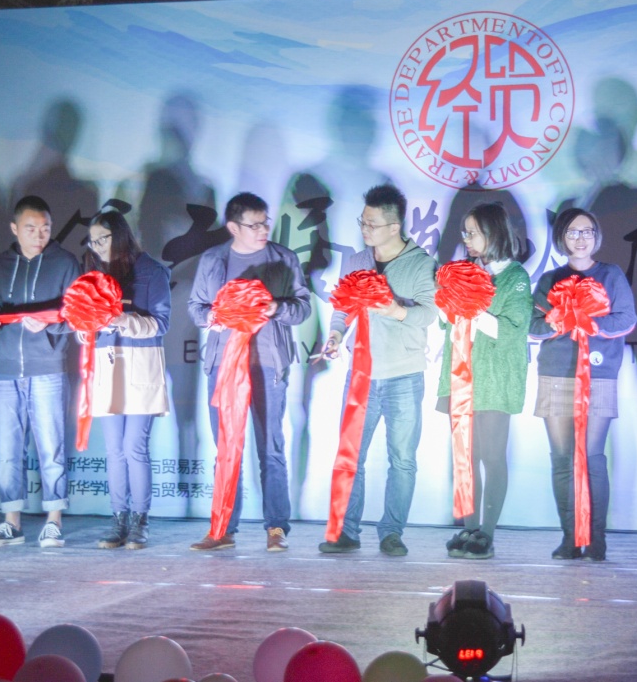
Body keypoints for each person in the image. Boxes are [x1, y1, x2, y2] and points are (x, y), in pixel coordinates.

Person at [317, 184, 437, 556]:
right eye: (362, 222)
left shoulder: (420, 263)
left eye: (371, 224)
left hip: (404, 374)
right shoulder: (356, 261)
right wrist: (336, 334)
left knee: (402, 460)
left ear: (394, 226)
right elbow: (342, 307)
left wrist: (395, 310)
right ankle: (346, 531)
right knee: (351, 454)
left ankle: (391, 533)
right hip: (361, 375)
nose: (364, 229)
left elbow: (429, 314)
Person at [187, 192, 311, 553]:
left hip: (268, 364)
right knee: (227, 449)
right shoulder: (214, 259)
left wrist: (274, 307)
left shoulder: (283, 258)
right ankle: (223, 528)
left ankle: (276, 527)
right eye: (254, 225)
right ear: (233, 227)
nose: (262, 230)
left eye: (265, 222)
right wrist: (214, 317)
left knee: (271, 448)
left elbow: (302, 308)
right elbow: (196, 308)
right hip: (224, 366)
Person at [0, 195, 81, 548]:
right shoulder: (1, 264)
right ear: (14, 228)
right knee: (9, 449)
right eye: (31, 228)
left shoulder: (65, 262)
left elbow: (77, 316)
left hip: (48, 366)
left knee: (51, 446)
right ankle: (11, 522)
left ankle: (53, 520)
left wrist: (49, 324)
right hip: (7, 369)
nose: (39, 235)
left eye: (45, 228)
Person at [531, 208, 636, 561]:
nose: (581, 239)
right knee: (563, 459)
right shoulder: (550, 279)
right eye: (573, 232)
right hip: (556, 373)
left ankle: (596, 538)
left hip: (598, 373)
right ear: (561, 237)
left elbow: (627, 319)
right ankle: (569, 538)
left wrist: (590, 321)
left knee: (592, 457)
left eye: (587, 231)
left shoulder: (611, 274)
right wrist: (559, 319)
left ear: (596, 236)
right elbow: (532, 325)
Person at [438, 202, 532, 560]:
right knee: (466, 458)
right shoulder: (463, 270)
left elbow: (512, 330)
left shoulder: (515, 276)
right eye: (465, 232)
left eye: (473, 232)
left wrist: (472, 308)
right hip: (461, 374)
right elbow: (445, 322)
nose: (467, 239)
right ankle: (469, 527)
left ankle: (486, 533)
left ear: (494, 233)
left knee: (491, 457)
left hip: (495, 378)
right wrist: (448, 302)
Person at [84, 210, 171, 550]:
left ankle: (140, 520)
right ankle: (118, 518)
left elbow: (161, 323)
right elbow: (83, 322)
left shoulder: (151, 271)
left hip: (140, 364)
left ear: (120, 235)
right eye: (93, 241)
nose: (97, 247)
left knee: (134, 446)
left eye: (102, 239)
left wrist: (122, 319)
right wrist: (84, 327)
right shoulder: (94, 276)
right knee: (114, 450)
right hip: (107, 365)